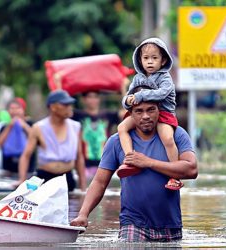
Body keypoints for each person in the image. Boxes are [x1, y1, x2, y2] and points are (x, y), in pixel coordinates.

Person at [70, 86, 198, 242]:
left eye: (151, 110)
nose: (145, 116)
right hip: (132, 224)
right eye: (139, 111)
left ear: (159, 109)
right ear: (130, 114)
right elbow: (99, 182)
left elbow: (191, 169)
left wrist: (148, 162)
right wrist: (83, 214)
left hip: (170, 224)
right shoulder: (116, 142)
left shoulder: (175, 134)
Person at [117, 37, 183, 190]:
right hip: (142, 113)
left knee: (167, 138)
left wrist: (139, 96)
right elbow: (128, 96)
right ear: (140, 60)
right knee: (122, 128)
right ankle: (130, 159)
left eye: (154, 58)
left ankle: (175, 175)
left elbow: (161, 94)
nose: (150, 62)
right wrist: (127, 101)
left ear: (163, 60)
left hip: (164, 113)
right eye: (146, 58)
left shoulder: (165, 78)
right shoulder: (138, 78)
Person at [18, 90, 87, 192]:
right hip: (45, 177)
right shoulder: (38, 128)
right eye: (65, 105)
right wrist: (21, 182)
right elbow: (26, 156)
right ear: (53, 107)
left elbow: (79, 157)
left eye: (70, 104)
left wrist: (83, 188)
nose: (69, 108)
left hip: (67, 177)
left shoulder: (75, 127)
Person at [72, 79, 128, 179]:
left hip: (105, 164)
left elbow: (126, 113)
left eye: (95, 97)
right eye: (90, 97)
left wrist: (123, 88)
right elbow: (60, 107)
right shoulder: (78, 116)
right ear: (83, 99)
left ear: (99, 99)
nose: (93, 100)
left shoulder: (107, 115)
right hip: (84, 165)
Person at [0, 98, 35, 174]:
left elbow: (35, 138)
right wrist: (9, 127)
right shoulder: (4, 126)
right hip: (8, 168)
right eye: (12, 108)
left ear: (23, 110)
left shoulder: (30, 124)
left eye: (18, 108)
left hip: (28, 168)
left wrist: (24, 126)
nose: (15, 111)